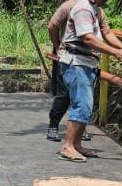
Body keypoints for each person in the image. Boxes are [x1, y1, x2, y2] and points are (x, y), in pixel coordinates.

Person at [56, 0, 122, 162]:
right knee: (82, 104)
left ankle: (76, 145)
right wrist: (115, 52)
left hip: (87, 63)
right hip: (76, 62)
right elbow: (88, 39)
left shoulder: (96, 9)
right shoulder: (83, 9)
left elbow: (107, 32)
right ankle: (68, 146)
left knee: (86, 104)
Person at [46, 1, 89, 143]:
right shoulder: (68, 6)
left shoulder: (95, 8)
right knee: (64, 94)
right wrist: (58, 46)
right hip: (67, 56)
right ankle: (53, 126)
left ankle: (79, 128)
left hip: (86, 58)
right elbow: (52, 26)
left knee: (83, 96)